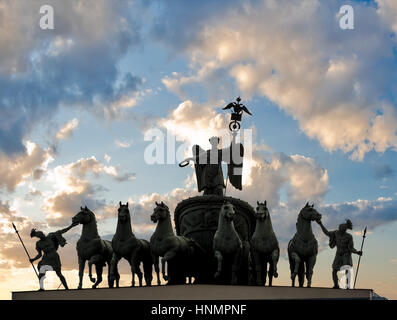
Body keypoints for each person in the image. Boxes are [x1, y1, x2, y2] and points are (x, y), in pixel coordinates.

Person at [316, 218, 362, 288]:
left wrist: (357, 252)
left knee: (347, 269)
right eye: (339, 228)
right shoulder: (336, 233)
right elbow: (327, 233)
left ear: (344, 229)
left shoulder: (349, 236)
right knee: (334, 270)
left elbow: (351, 248)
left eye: (341, 228)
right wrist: (320, 224)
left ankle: (348, 285)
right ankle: (336, 285)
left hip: (346, 254)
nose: (339, 229)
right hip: (338, 254)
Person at [29, 224, 75, 290]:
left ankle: (66, 288)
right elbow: (39, 254)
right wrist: (33, 259)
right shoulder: (38, 243)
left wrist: (71, 226)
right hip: (46, 258)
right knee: (41, 272)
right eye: (39, 235)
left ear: (43, 234)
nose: (41, 235)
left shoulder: (50, 236)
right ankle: (41, 288)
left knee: (59, 273)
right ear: (38, 237)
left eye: (41, 234)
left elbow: (61, 231)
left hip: (54, 257)